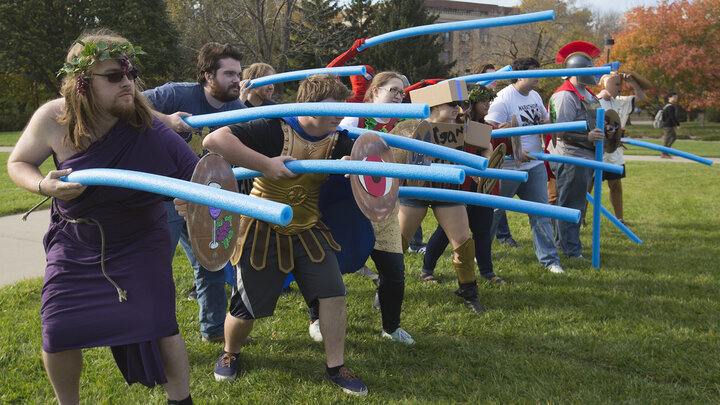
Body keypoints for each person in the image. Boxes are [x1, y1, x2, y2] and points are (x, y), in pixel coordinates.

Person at [7, 30, 194, 404]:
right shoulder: (53, 118)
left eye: (129, 73)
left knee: (161, 325)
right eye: (113, 76)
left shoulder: (151, 128)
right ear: (81, 83)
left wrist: (194, 201)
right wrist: (44, 186)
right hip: (75, 242)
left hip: (140, 240)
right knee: (57, 330)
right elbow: (19, 162)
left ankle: (181, 400)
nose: (127, 82)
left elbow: (200, 179)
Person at [196, 75, 368, 396]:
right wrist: (265, 164)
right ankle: (230, 351)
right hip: (262, 226)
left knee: (333, 294)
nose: (340, 115)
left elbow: (370, 155)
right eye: (334, 108)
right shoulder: (273, 128)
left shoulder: (337, 137)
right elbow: (215, 140)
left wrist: (354, 163)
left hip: (309, 227)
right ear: (311, 105)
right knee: (246, 307)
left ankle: (335, 366)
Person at [143, 42, 246, 343]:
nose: (236, 80)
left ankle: (213, 331)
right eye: (228, 73)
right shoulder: (176, 94)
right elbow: (127, 102)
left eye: (238, 73)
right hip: (163, 197)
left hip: (204, 199)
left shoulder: (237, 110)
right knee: (157, 271)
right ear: (207, 76)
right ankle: (153, 335)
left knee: (212, 265)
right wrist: (167, 120)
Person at [399, 80, 487, 314]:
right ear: (435, 105)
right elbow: (385, 147)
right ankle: (388, 287)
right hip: (415, 189)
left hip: (448, 189)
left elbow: (487, 143)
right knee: (399, 242)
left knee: (463, 242)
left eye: (459, 104)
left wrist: (484, 166)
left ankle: (469, 293)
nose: (458, 109)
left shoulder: (462, 126)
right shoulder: (410, 126)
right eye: (452, 104)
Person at [421, 84, 508, 284]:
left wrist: (486, 167)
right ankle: (427, 270)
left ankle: (487, 271)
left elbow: (487, 148)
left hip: (478, 184)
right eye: (483, 101)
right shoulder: (449, 123)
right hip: (456, 184)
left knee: (483, 228)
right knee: (446, 231)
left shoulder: (475, 126)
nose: (487, 105)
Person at [485, 57, 565, 274]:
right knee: (494, 212)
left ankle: (550, 261)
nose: (538, 76)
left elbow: (542, 119)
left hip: (535, 165)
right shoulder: (502, 100)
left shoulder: (535, 95)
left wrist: (550, 126)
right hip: (508, 169)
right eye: (534, 72)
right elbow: (488, 135)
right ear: (519, 75)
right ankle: (480, 252)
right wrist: (516, 151)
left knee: (541, 212)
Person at [547, 41, 605, 259]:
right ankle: (571, 250)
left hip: (586, 156)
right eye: (588, 69)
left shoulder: (587, 93)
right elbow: (559, 130)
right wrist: (587, 136)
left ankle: (566, 244)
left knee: (577, 205)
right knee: (570, 206)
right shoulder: (564, 95)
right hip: (570, 157)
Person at [593, 71, 647, 223]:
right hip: (598, 151)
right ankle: (581, 219)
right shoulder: (595, 101)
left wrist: (632, 82)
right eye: (616, 84)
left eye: (620, 84)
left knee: (616, 184)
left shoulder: (621, 101)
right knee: (590, 186)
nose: (619, 88)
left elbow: (642, 98)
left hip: (615, 151)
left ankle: (620, 219)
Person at [660, 92, 681, 157]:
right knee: (667, 139)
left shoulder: (668, 105)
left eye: (676, 97)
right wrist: (677, 124)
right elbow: (672, 116)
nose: (676, 98)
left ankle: (666, 151)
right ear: (669, 98)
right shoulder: (670, 106)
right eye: (674, 97)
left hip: (669, 125)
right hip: (668, 125)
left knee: (673, 137)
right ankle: (664, 153)